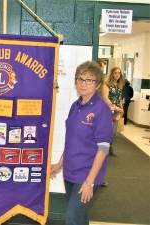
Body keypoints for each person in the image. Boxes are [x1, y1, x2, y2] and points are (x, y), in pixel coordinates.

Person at [51, 61, 113, 225]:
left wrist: (90, 181)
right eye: (80, 79)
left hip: (86, 174)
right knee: (80, 217)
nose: (83, 83)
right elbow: (72, 140)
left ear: (97, 84)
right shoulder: (75, 106)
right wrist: (59, 164)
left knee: (72, 218)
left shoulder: (102, 109)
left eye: (89, 80)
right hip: (70, 172)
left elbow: (104, 148)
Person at [101, 66, 124, 156]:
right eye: (115, 73)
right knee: (107, 131)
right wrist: (114, 107)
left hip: (117, 111)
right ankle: (103, 149)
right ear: (111, 73)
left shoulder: (119, 85)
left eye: (119, 73)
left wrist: (121, 110)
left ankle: (109, 147)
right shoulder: (106, 84)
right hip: (108, 110)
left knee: (113, 132)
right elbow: (105, 98)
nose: (117, 74)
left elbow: (119, 99)